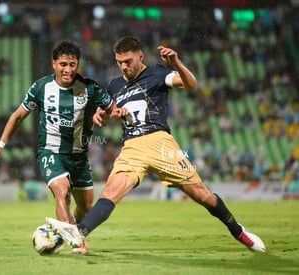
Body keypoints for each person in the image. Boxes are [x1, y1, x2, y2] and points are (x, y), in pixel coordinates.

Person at [46, 36, 266, 253]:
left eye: (128, 61)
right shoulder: (114, 85)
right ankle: (78, 232)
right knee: (110, 193)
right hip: (132, 146)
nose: (124, 66)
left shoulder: (157, 73)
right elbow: (107, 112)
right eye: (120, 62)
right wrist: (101, 116)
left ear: (140, 57)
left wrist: (177, 64)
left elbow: (191, 84)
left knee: (202, 195)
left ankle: (237, 230)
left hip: (160, 143)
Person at [0, 40, 118, 254]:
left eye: (73, 64)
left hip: (79, 157)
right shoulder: (41, 87)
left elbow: (113, 109)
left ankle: (65, 227)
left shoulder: (90, 88)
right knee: (61, 190)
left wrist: (102, 114)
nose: (68, 69)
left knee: (86, 207)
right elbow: (19, 115)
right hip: (51, 152)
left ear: (78, 65)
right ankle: (77, 242)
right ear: (54, 64)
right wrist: (1, 144)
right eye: (63, 64)